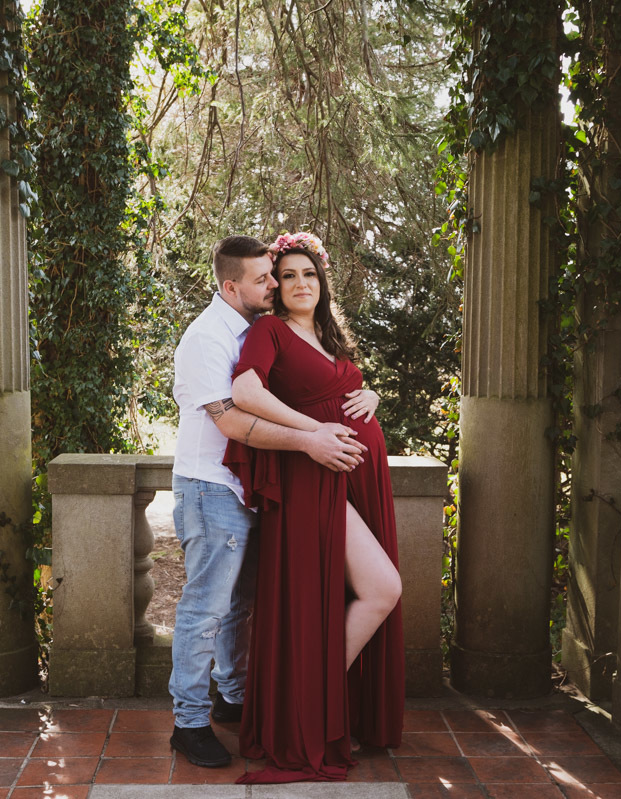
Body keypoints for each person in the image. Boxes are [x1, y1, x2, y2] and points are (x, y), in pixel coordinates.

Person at [168, 234, 370, 769]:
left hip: (254, 489)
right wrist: (310, 438)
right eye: (264, 279)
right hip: (211, 487)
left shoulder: (255, 329)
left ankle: (232, 697)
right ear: (231, 286)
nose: (274, 286)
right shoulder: (207, 338)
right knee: (206, 608)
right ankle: (189, 723)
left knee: (241, 605)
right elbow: (233, 421)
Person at [224, 232, 405, 783]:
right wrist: (315, 431)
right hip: (312, 478)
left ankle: (315, 706)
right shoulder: (269, 331)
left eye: (309, 274)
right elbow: (246, 393)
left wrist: (372, 394)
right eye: (288, 276)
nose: (300, 283)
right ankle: (305, 711)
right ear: (275, 288)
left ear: (322, 280)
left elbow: (342, 390)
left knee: (348, 595)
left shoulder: (329, 333)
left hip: (354, 480)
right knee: (382, 589)